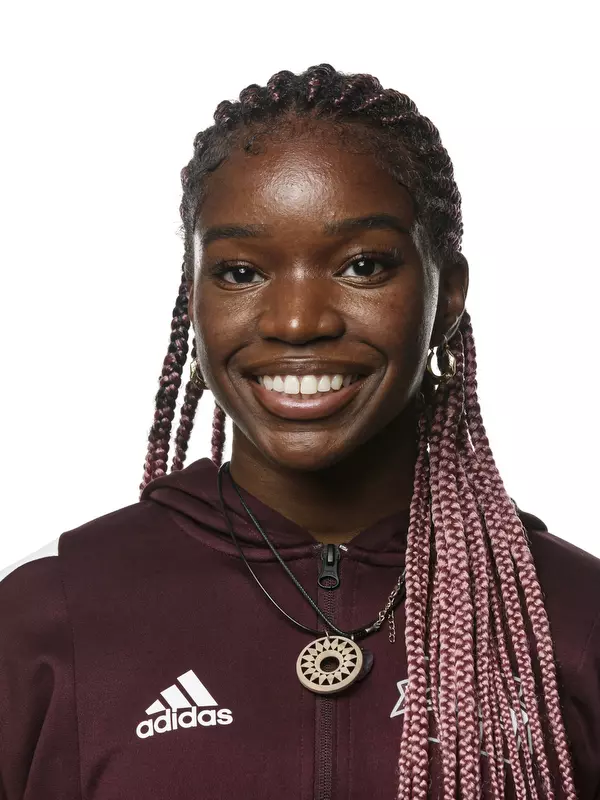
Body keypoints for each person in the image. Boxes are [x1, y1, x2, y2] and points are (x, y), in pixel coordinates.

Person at [0, 64, 599, 800]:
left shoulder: (573, 616)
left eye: (363, 265)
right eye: (242, 271)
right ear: (194, 298)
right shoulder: (50, 611)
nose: (297, 322)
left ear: (448, 296)